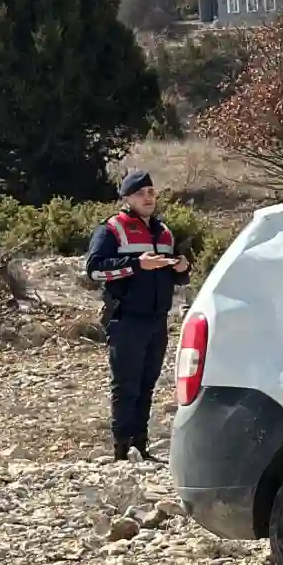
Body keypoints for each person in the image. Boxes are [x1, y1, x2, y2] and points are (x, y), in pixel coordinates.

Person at [84, 169, 191, 461]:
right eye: (141, 193)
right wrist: (136, 264)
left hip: (158, 318)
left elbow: (174, 277)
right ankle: (120, 449)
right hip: (126, 317)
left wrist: (182, 269)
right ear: (127, 198)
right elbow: (94, 269)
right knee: (126, 384)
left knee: (147, 383)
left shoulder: (164, 231)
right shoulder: (111, 229)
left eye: (151, 192)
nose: (148, 198)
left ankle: (140, 445)